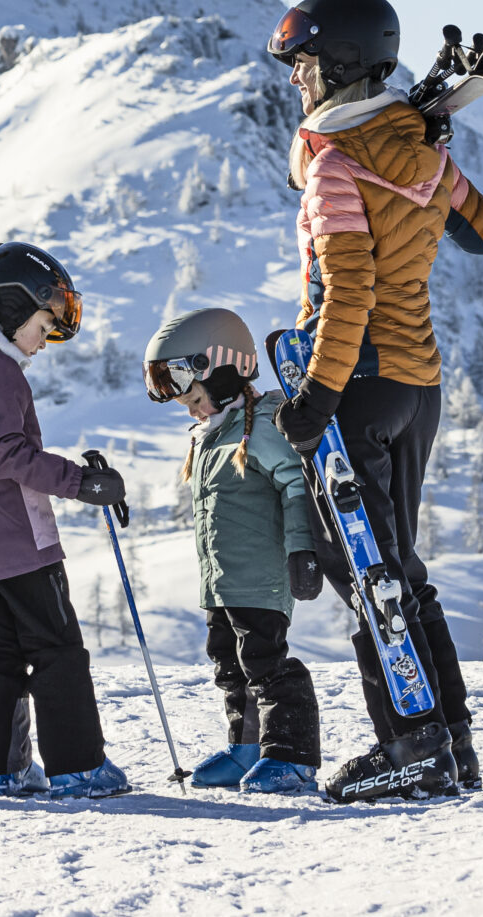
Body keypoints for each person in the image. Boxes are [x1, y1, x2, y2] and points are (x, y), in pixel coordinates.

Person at [264, 0, 483, 803]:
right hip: (417, 383)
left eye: (302, 65)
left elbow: (347, 289)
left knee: (365, 570)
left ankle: (410, 745)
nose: (295, 80)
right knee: (399, 565)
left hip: (357, 380)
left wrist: (315, 399)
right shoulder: (421, 150)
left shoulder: (334, 163)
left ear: (336, 67)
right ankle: (451, 740)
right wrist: (431, 146)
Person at [0, 241, 132, 799]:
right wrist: (83, 482)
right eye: (44, 321)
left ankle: (1, 769)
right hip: (14, 532)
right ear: (12, 308)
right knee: (55, 645)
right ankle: (78, 767)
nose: (47, 337)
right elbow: (7, 456)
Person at [143, 307, 324, 794]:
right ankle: (246, 750)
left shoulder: (262, 424)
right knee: (229, 663)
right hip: (222, 581)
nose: (190, 409)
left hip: (261, 578)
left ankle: (292, 755)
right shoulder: (213, 436)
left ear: (218, 369)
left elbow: (295, 487)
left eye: (194, 396)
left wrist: (303, 551)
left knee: (266, 663)